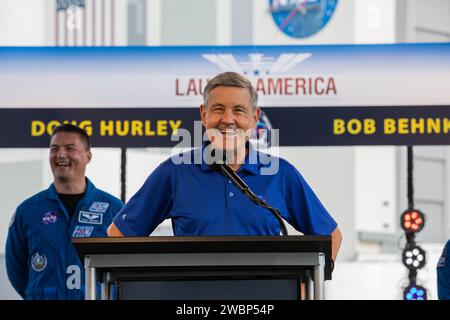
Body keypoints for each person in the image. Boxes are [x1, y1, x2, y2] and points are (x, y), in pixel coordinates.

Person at [107, 71, 342, 262]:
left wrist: (302, 288)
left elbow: (331, 237)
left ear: (254, 117)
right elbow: (118, 235)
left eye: (238, 110)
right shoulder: (174, 172)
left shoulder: (281, 174)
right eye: (218, 109)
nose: (228, 119)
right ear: (203, 114)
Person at [5, 124, 124, 300]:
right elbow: (16, 270)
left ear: (88, 156)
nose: (60, 154)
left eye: (69, 148)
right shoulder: (27, 211)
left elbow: (125, 266)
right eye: (54, 149)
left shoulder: (113, 209)